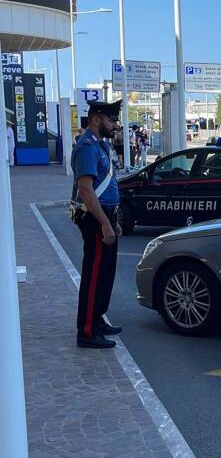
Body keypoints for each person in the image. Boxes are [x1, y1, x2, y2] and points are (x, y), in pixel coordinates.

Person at [70, 100, 124, 349]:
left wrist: (115, 221)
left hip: (107, 216)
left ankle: (98, 319)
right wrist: (104, 223)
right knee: (93, 276)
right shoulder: (87, 147)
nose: (115, 125)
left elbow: (108, 185)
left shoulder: (101, 146)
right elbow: (86, 188)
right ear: (96, 118)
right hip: (95, 219)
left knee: (106, 274)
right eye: (111, 120)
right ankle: (87, 331)